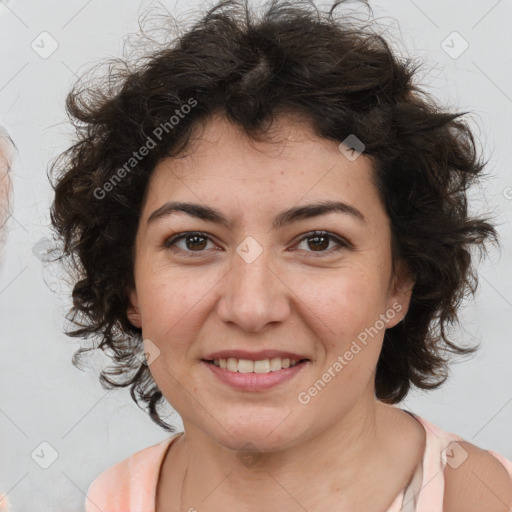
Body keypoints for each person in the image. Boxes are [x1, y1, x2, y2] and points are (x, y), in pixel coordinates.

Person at [49, 0, 512, 510]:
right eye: (194, 241)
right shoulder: (104, 498)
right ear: (129, 285)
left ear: (399, 283)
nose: (251, 308)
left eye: (318, 241)